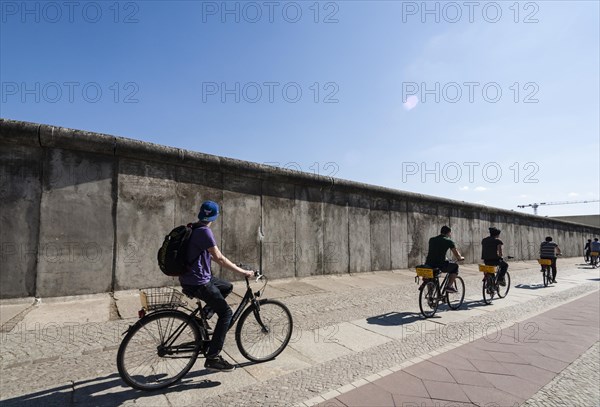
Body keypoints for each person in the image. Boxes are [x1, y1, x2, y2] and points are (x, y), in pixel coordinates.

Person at [179, 200, 254, 372]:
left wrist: (232, 264)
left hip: (192, 278)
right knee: (226, 313)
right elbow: (219, 258)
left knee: (226, 287)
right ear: (215, 216)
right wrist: (242, 271)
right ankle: (213, 357)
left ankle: (205, 314)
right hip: (198, 282)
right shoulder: (205, 232)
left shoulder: (193, 228)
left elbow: (211, 255)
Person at [425, 226, 465, 293]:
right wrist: (460, 258)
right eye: (450, 233)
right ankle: (449, 286)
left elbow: (436, 251)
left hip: (428, 263)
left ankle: (430, 295)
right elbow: (456, 254)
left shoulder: (431, 239)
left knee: (431, 277)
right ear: (449, 233)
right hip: (440, 264)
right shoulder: (449, 241)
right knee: (455, 267)